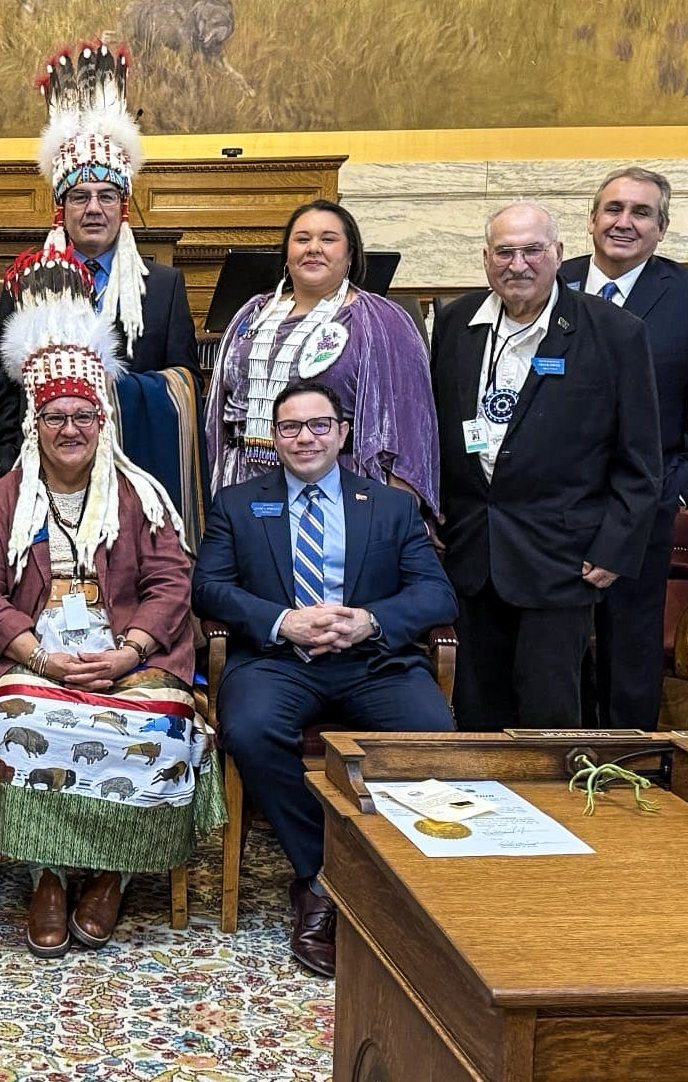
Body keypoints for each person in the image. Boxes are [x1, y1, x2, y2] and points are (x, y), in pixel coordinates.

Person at [0, 251, 207, 959]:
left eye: (82, 416)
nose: (69, 428)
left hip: (126, 651)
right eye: (55, 416)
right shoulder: (1, 499)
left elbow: (169, 583)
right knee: (19, 720)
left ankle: (113, 872)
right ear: (33, 423)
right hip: (30, 653)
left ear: (103, 422)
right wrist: (38, 655)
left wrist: (127, 649)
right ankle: (44, 874)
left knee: (158, 728)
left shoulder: (141, 495)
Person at [193, 379, 456, 977]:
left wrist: (370, 620)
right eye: (290, 427)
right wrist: (282, 621)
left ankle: (399, 878)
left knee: (428, 732)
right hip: (277, 661)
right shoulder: (237, 503)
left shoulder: (389, 506)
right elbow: (207, 587)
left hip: (372, 663)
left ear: (342, 433)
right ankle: (324, 876)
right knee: (251, 730)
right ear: (274, 438)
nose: (305, 437)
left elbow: (437, 594)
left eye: (318, 425)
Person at [431, 203, 661, 730]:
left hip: (562, 556)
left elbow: (641, 457)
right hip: (472, 552)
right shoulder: (454, 322)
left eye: (533, 250)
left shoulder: (614, 331)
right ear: (486, 259)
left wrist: (616, 546)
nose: (519, 264)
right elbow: (437, 431)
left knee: (549, 714)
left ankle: (556, 813)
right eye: (505, 252)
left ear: (558, 254)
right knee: (476, 713)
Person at [559, 168, 688, 730]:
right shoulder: (549, 281)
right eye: (613, 209)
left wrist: (674, 493)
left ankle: (625, 772)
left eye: (641, 213)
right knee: (554, 650)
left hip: (643, 506)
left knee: (627, 652)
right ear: (591, 220)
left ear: (661, 228)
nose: (623, 222)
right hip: (551, 505)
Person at [0, 42, 201, 524]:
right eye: (80, 196)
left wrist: (115, 390)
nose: (93, 208)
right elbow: (5, 392)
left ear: (122, 207)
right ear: (61, 208)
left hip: (138, 474)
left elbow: (185, 383)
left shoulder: (164, 287)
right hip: (44, 473)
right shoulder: (27, 284)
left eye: (107, 196)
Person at [207, 199, 437, 514]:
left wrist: (398, 513)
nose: (313, 248)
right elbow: (218, 409)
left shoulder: (380, 320)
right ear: (287, 254)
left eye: (328, 239)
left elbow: (413, 425)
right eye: (302, 239)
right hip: (243, 485)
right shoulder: (253, 313)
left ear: (350, 254)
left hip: (339, 491)